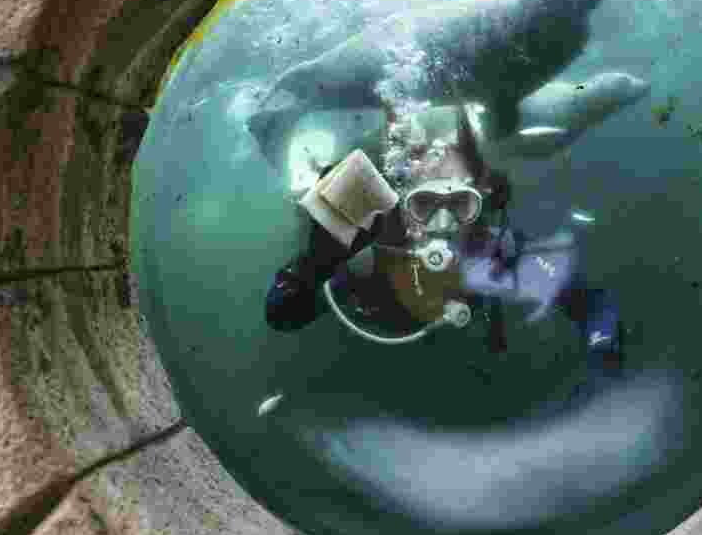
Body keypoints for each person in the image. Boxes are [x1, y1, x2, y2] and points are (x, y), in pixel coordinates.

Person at [265, 102, 622, 371]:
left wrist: (601, 340)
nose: (443, 223)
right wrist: (312, 267)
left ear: (478, 205)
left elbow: (589, 302)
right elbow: (282, 315)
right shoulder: (372, 254)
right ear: (404, 207)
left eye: (459, 205)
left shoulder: (496, 250)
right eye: (425, 205)